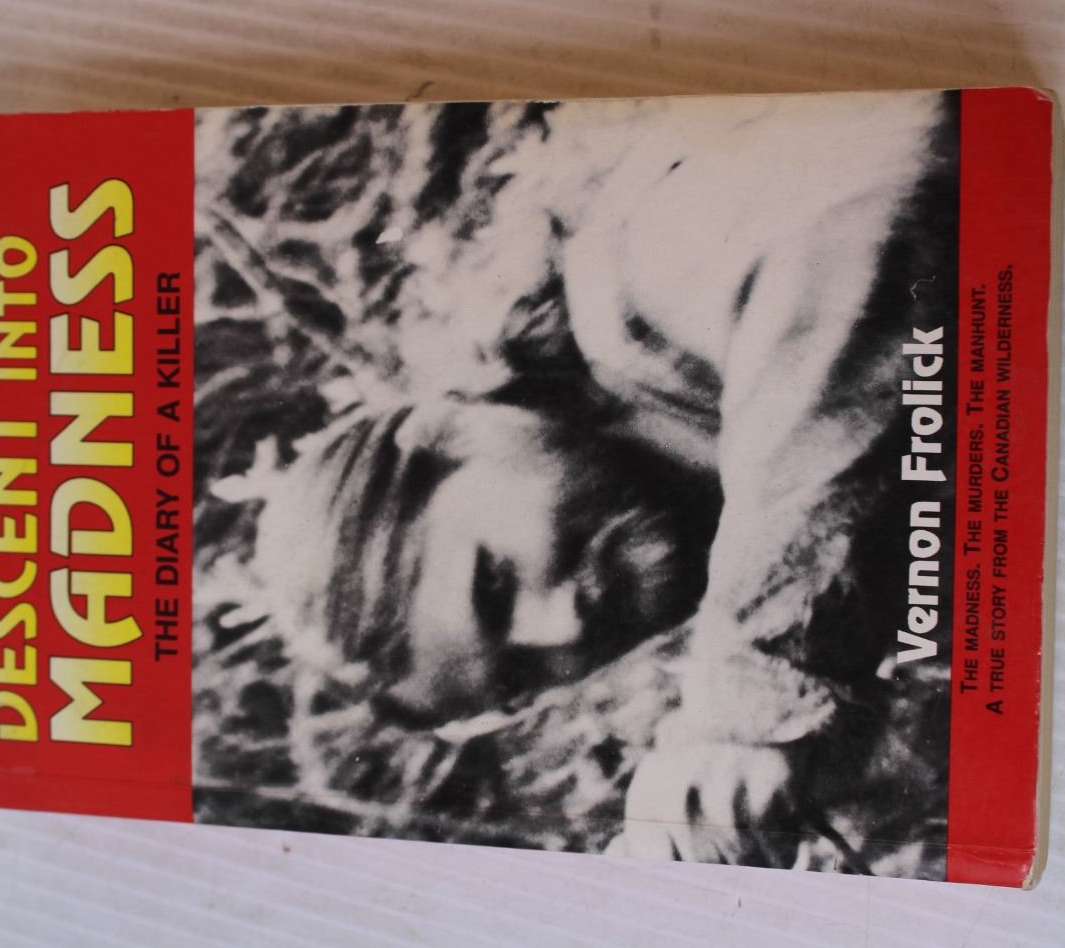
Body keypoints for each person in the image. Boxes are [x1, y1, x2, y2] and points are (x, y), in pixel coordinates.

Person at [258, 89, 956, 867]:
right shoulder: (747, 534)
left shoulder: (638, 271)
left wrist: (754, 692)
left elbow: (875, 216)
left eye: (496, 582)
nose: (562, 628)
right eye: (522, 673)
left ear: (452, 428)